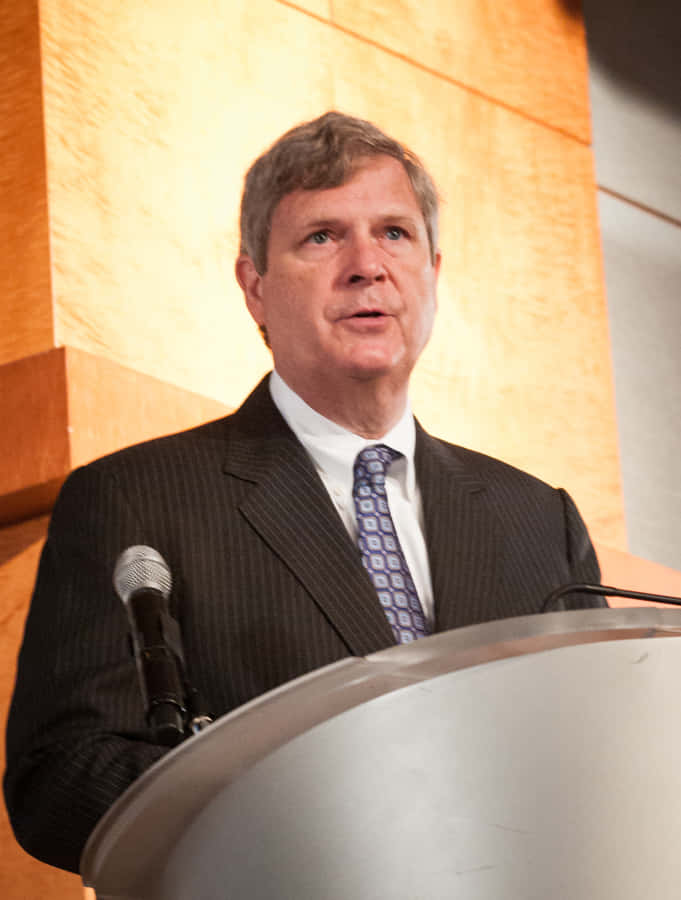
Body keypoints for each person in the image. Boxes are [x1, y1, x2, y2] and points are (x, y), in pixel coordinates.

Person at [4, 111, 606, 873]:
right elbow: (60, 778)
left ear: (431, 271)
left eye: (394, 233)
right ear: (253, 288)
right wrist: (293, 808)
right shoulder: (136, 498)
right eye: (321, 237)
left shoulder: (535, 518)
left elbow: (602, 758)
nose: (366, 265)